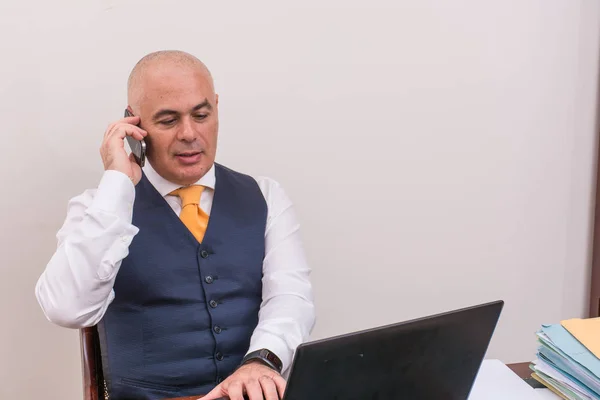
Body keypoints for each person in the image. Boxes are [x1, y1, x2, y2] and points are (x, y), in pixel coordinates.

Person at [35, 50, 316, 400]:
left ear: (216, 108)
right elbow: (66, 308)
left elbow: (291, 297)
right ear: (134, 125)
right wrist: (118, 184)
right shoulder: (99, 208)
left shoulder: (266, 196)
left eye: (201, 115)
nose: (189, 133)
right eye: (168, 121)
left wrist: (262, 361)